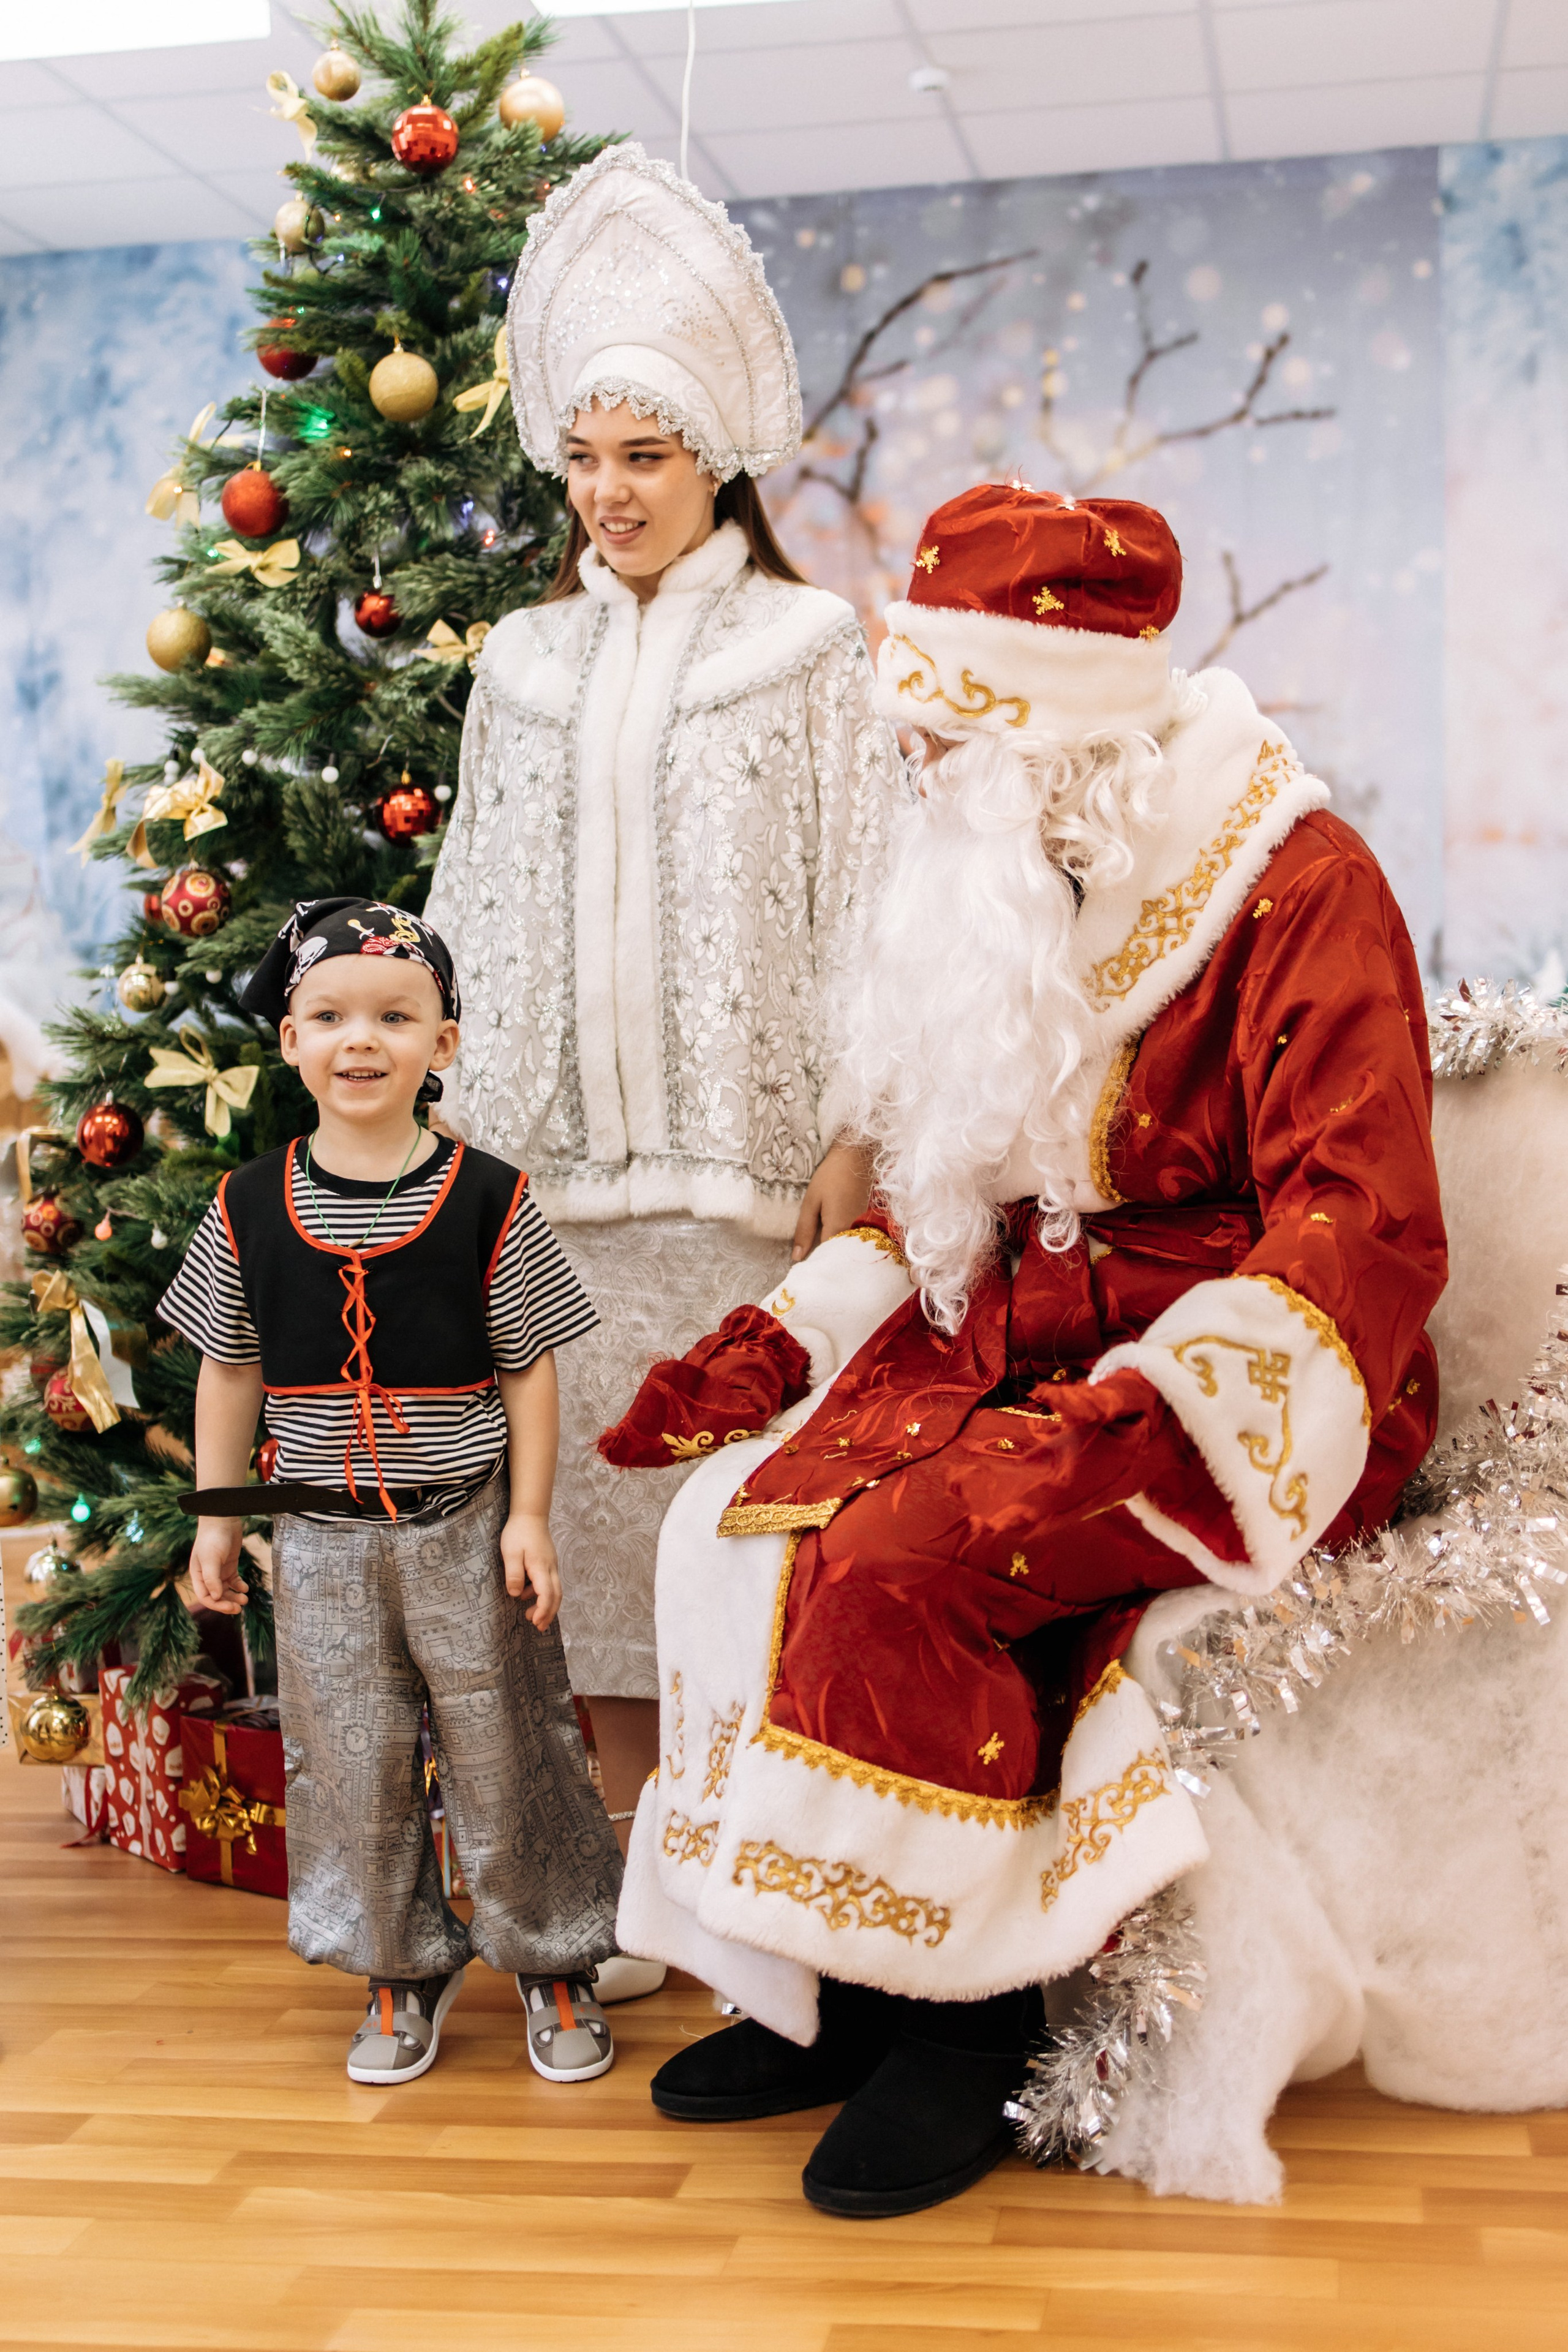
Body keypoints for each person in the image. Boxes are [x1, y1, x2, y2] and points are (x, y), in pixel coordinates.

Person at [605, 484, 1449, 2215]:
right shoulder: (1008, 884)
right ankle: (818, 1977)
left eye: (942, 747)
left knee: (912, 1562)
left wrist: (1138, 1425)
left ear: (1055, 740)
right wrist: (784, 1340)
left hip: (1244, 1374)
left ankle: (967, 2026)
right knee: (733, 1530)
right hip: (1005, 1332)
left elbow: (1358, 1226)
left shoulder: (1298, 884)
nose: (919, 784)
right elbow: (949, 1183)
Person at [422, 142, 903, 1984]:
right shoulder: (522, 666)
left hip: (752, 1183)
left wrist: (853, 1140)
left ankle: (761, 1894)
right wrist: (470, 1159)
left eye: (649, 454)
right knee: (600, 1561)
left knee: (741, 1546)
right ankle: (643, 1897)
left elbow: (866, 901)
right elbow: (471, 907)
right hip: (559, 1185)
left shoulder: (807, 649)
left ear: (717, 460)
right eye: (589, 459)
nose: (613, 491)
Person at [166, 897, 625, 2088]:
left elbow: (527, 1366)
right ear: (289, 1041)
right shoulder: (245, 1205)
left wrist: (527, 1517)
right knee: (351, 1756)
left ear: (442, 1043)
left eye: (392, 1016)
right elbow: (229, 1367)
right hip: (318, 1542)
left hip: (464, 1526)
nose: (358, 1040)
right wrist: (221, 1519)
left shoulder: (489, 1198)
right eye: (328, 1016)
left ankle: (552, 1956)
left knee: (507, 1745)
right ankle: (395, 1962)